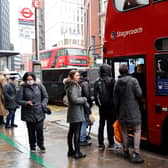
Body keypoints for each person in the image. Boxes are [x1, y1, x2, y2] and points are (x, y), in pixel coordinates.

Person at [113, 64, 144, 163]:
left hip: (122, 111)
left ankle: (126, 151)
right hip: (133, 110)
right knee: (137, 130)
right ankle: (136, 153)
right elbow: (139, 94)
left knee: (124, 131)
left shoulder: (117, 83)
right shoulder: (133, 80)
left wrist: (117, 111)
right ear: (128, 70)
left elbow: (115, 100)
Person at [17, 72, 48, 152]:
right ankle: (32, 146)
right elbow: (18, 100)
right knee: (31, 131)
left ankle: (41, 145)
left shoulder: (39, 86)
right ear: (25, 80)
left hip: (39, 111)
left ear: (34, 79)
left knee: (39, 130)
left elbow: (45, 97)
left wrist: (43, 104)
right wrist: (26, 102)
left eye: (31, 79)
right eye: (28, 79)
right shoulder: (22, 87)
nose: (30, 81)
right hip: (28, 113)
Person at [64, 70, 88, 159]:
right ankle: (77, 152)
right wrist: (84, 99)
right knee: (76, 132)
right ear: (72, 76)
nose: (79, 77)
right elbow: (74, 99)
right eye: (77, 75)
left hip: (72, 111)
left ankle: (71, 150)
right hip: (76, 111)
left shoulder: (70, 85)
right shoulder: (74, 86)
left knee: (71, 132)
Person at [94, 64, 116, 150]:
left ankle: (100, 143)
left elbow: (96, 96)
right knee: (110, 125)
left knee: (101, 125)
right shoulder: (112, 80)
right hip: (111, 107)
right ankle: (111, 142)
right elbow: (115, 94)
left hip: (102, 107)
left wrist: (100, 105)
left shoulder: (97, 81)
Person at [79, 71, 92, 146]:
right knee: (85, 121)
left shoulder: (79, 82)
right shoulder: (85, 83)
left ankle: (81, 137)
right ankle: (82, 139)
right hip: (85, 105)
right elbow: (87, 95)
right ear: (86, 76)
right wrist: (90, 102)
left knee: (82, 122)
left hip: (80, 105)